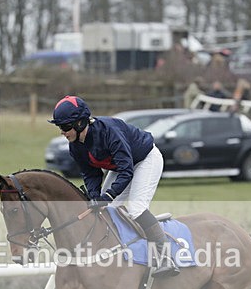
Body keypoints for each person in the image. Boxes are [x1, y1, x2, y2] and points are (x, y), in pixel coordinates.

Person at [48, 95, 179, 278]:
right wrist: (95, 196)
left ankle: (165, 257)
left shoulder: (109, 132)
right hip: (121, 166)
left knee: (136, 209)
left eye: (64, 127)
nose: (62, 132)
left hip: (145, 159)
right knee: (106, 211)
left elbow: (127, 170)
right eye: (59, 127)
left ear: (79, 123)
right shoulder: (75, 146)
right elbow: (91, 173)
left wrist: (108, 195)